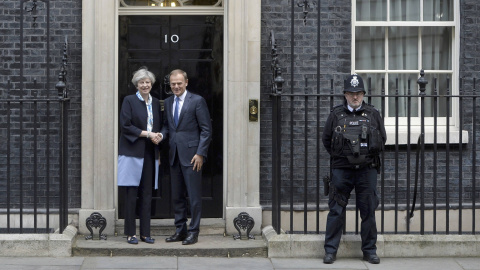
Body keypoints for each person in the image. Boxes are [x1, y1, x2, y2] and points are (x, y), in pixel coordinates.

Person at [322, 74, 386, 264]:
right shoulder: (336, 115)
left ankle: (369, 251)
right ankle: (330, 251)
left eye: (358, 93)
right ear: (345, 94)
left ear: (363, 94)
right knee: (336, 211)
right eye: (351, 93)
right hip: (342, 170)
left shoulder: (373, 114)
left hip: (367, 170)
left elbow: (382, 140)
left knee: (368, 211)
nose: (355, 97)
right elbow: (326, 140)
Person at [159, 69, 212, 245]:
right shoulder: (167, 102)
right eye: (173, 84)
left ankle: (193, 231)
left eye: (179, 83)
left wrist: (200, 153)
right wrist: (161, 136)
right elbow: (168, 126)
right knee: (177, 196)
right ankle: (180, 230)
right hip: (174, 155)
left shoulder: (197, 101)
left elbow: (206, 130)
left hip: (192, 157)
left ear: (186, 82)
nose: (176, 87)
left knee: (194, 196)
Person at [117, 67, 163, 245]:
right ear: (136, 84)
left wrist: (158, 135)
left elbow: (159, 125)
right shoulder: (129, 101)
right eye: (142, 82)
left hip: (150, 152)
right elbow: (125, 126)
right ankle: (130, 233)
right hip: (132, 152)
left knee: (147, 194)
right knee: (131, 194)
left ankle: (145, 233)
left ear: (151, 84)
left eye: (148, 82)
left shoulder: (156, 102)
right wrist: (148, 134)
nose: (145, 85)